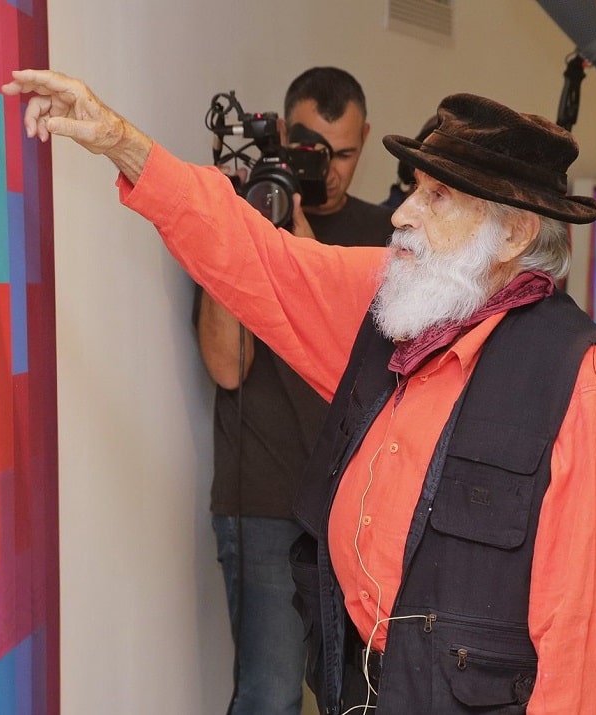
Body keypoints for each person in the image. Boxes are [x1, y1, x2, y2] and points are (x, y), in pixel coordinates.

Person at [2, 69, 596, 714]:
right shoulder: (399, 302)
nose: (402, 213)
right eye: (416, 189)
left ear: (514, 235)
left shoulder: (581, 388)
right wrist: (122, 142)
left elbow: (585, 640)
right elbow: (258, 258)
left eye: (439, 196)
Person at [196, 67, 391, 715]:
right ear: (284, 136)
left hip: (360, 511)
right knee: (271, 694)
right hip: (266, 502)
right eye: (313, 149)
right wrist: (246, 231)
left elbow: (379, 367)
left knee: (360, 697)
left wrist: (309, 265)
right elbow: (227, 368)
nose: (329, 170)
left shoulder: (389, 236)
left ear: (365, 138)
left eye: (345, 153)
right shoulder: (253, 218)